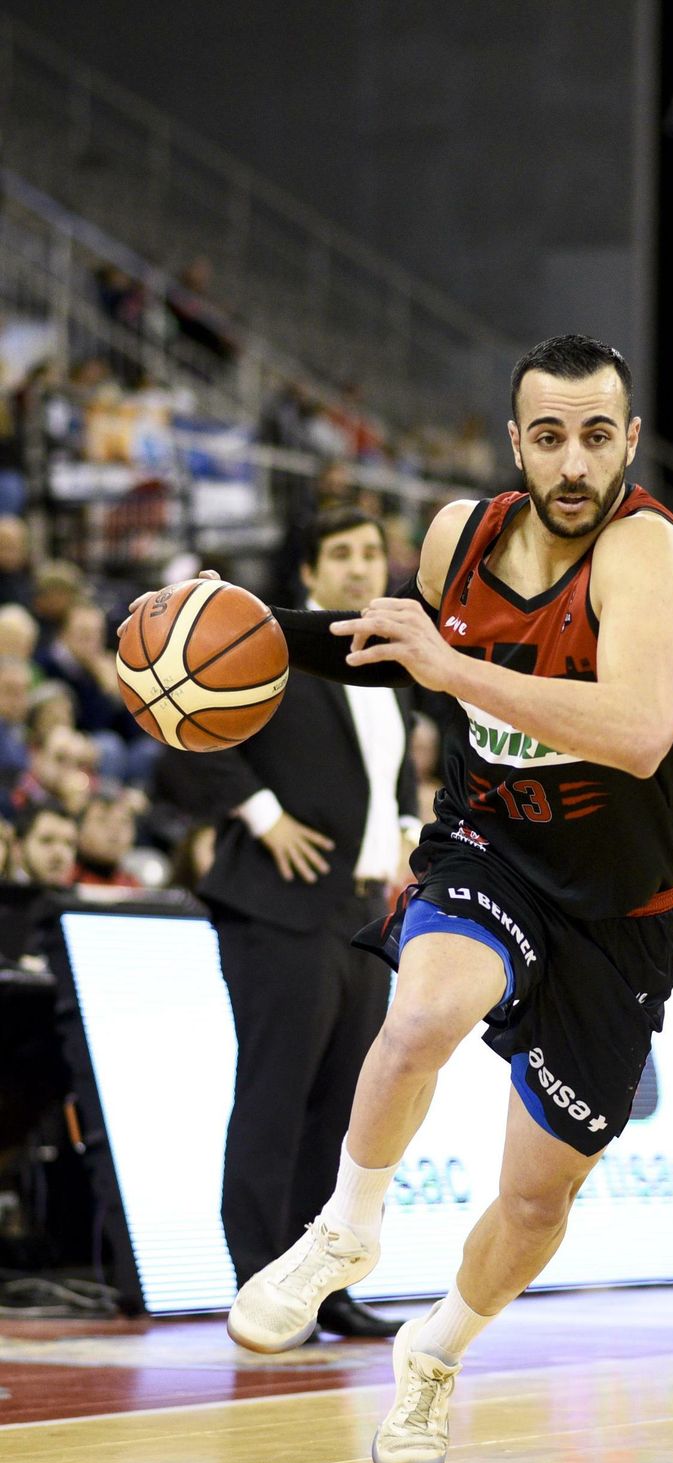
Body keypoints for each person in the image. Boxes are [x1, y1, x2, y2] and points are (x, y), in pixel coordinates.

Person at [207, 334, 673, 1463]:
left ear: (628, 441)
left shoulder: (645, 558)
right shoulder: (460, 535)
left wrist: (453, 670)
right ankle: (342, 1230)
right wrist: (242, 631)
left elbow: (636, 733)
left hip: (625, 906)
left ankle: (433, 1357)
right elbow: (399, 649)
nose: (574, 462)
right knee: (422, 1013)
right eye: (550, 437)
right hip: (490, 846)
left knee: (536, 1204)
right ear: (515, 444)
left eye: (597, 436)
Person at [159, 509, 418, 1341]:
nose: (358, 565)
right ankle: (256, 1283)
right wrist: (263, 813)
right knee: (275, 1096)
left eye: (372, 551)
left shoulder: (386, 661)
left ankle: (320, 1288)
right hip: (276, 906)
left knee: (344, 1111)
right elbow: (182, 729)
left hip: (359, 912)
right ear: (308, 572)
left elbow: (382, 783)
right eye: (340, 553)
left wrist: (409, 828)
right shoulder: (265, 645)